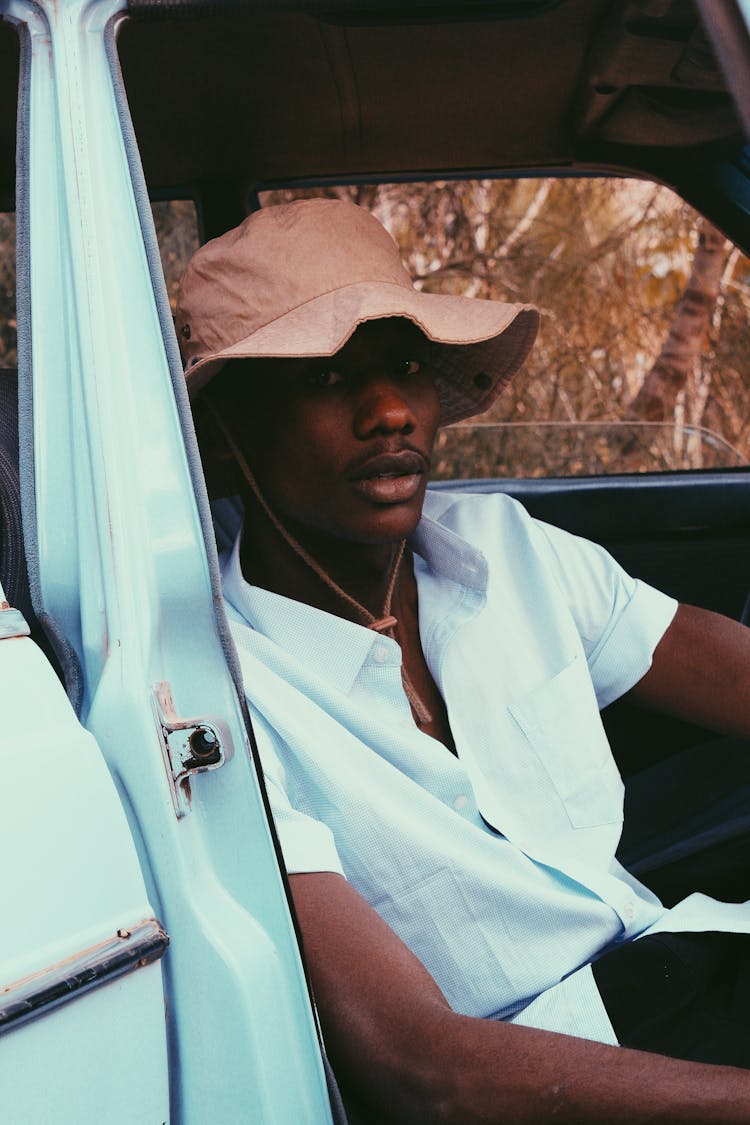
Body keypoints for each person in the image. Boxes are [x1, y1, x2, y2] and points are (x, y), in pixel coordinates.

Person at [177, 197, 750, 1122]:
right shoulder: (225, 695)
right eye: (325, 378)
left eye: (405, 365)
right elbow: (415, 1067)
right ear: (229, 434)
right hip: (557, 1077)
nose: (390, 410)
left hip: (693, 959)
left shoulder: (506, 548)